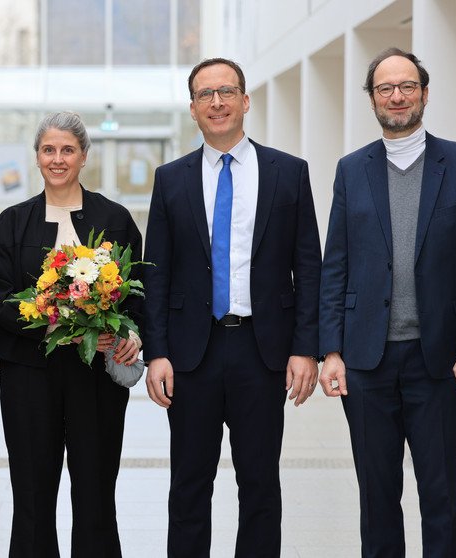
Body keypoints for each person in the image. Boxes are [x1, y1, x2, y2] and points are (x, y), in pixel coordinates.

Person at [318, 47, 456, 556]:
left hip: (437, 359)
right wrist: (330, 349)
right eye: (385, 88)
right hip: (366, 360)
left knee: (440, 493)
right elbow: (336, 265)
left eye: (407, 86)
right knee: (377, 495)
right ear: (372, 98)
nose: (397, 97)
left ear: (424, 92)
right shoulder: (352, 170)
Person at [141, 58, 322, 557]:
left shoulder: (289, 173)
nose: (216, 103)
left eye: (226, 92)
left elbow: (309, 267)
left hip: (262, 353)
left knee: (261, 486)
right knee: (189, 487)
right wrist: (156, 352)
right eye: (205, 95)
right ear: (193, 109)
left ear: (245, 100)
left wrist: (307, 348)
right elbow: (154, 273)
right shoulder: (171, 179)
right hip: (190, 356)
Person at [0, 111, 143, 557]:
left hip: (96, 378)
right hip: (30, 374)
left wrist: (128, 333)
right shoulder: (12, 224)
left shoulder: (115, 218)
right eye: (49, 149)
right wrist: (54, 324)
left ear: (84, 156)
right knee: (32, 493)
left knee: (95, 491)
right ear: (37, 157)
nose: (58, 159)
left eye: (67, 150)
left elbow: (135, 296)